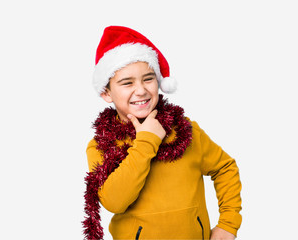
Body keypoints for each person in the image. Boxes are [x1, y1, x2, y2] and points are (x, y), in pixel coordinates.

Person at [83, 26, 242, 240]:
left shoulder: (186, 130)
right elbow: (114, 202)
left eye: (148, 79)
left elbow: (225, 167)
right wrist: (147, 140)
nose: (141, 90)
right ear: (106, 93)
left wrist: (228, 224)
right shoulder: (102, 144)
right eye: (127, 82)